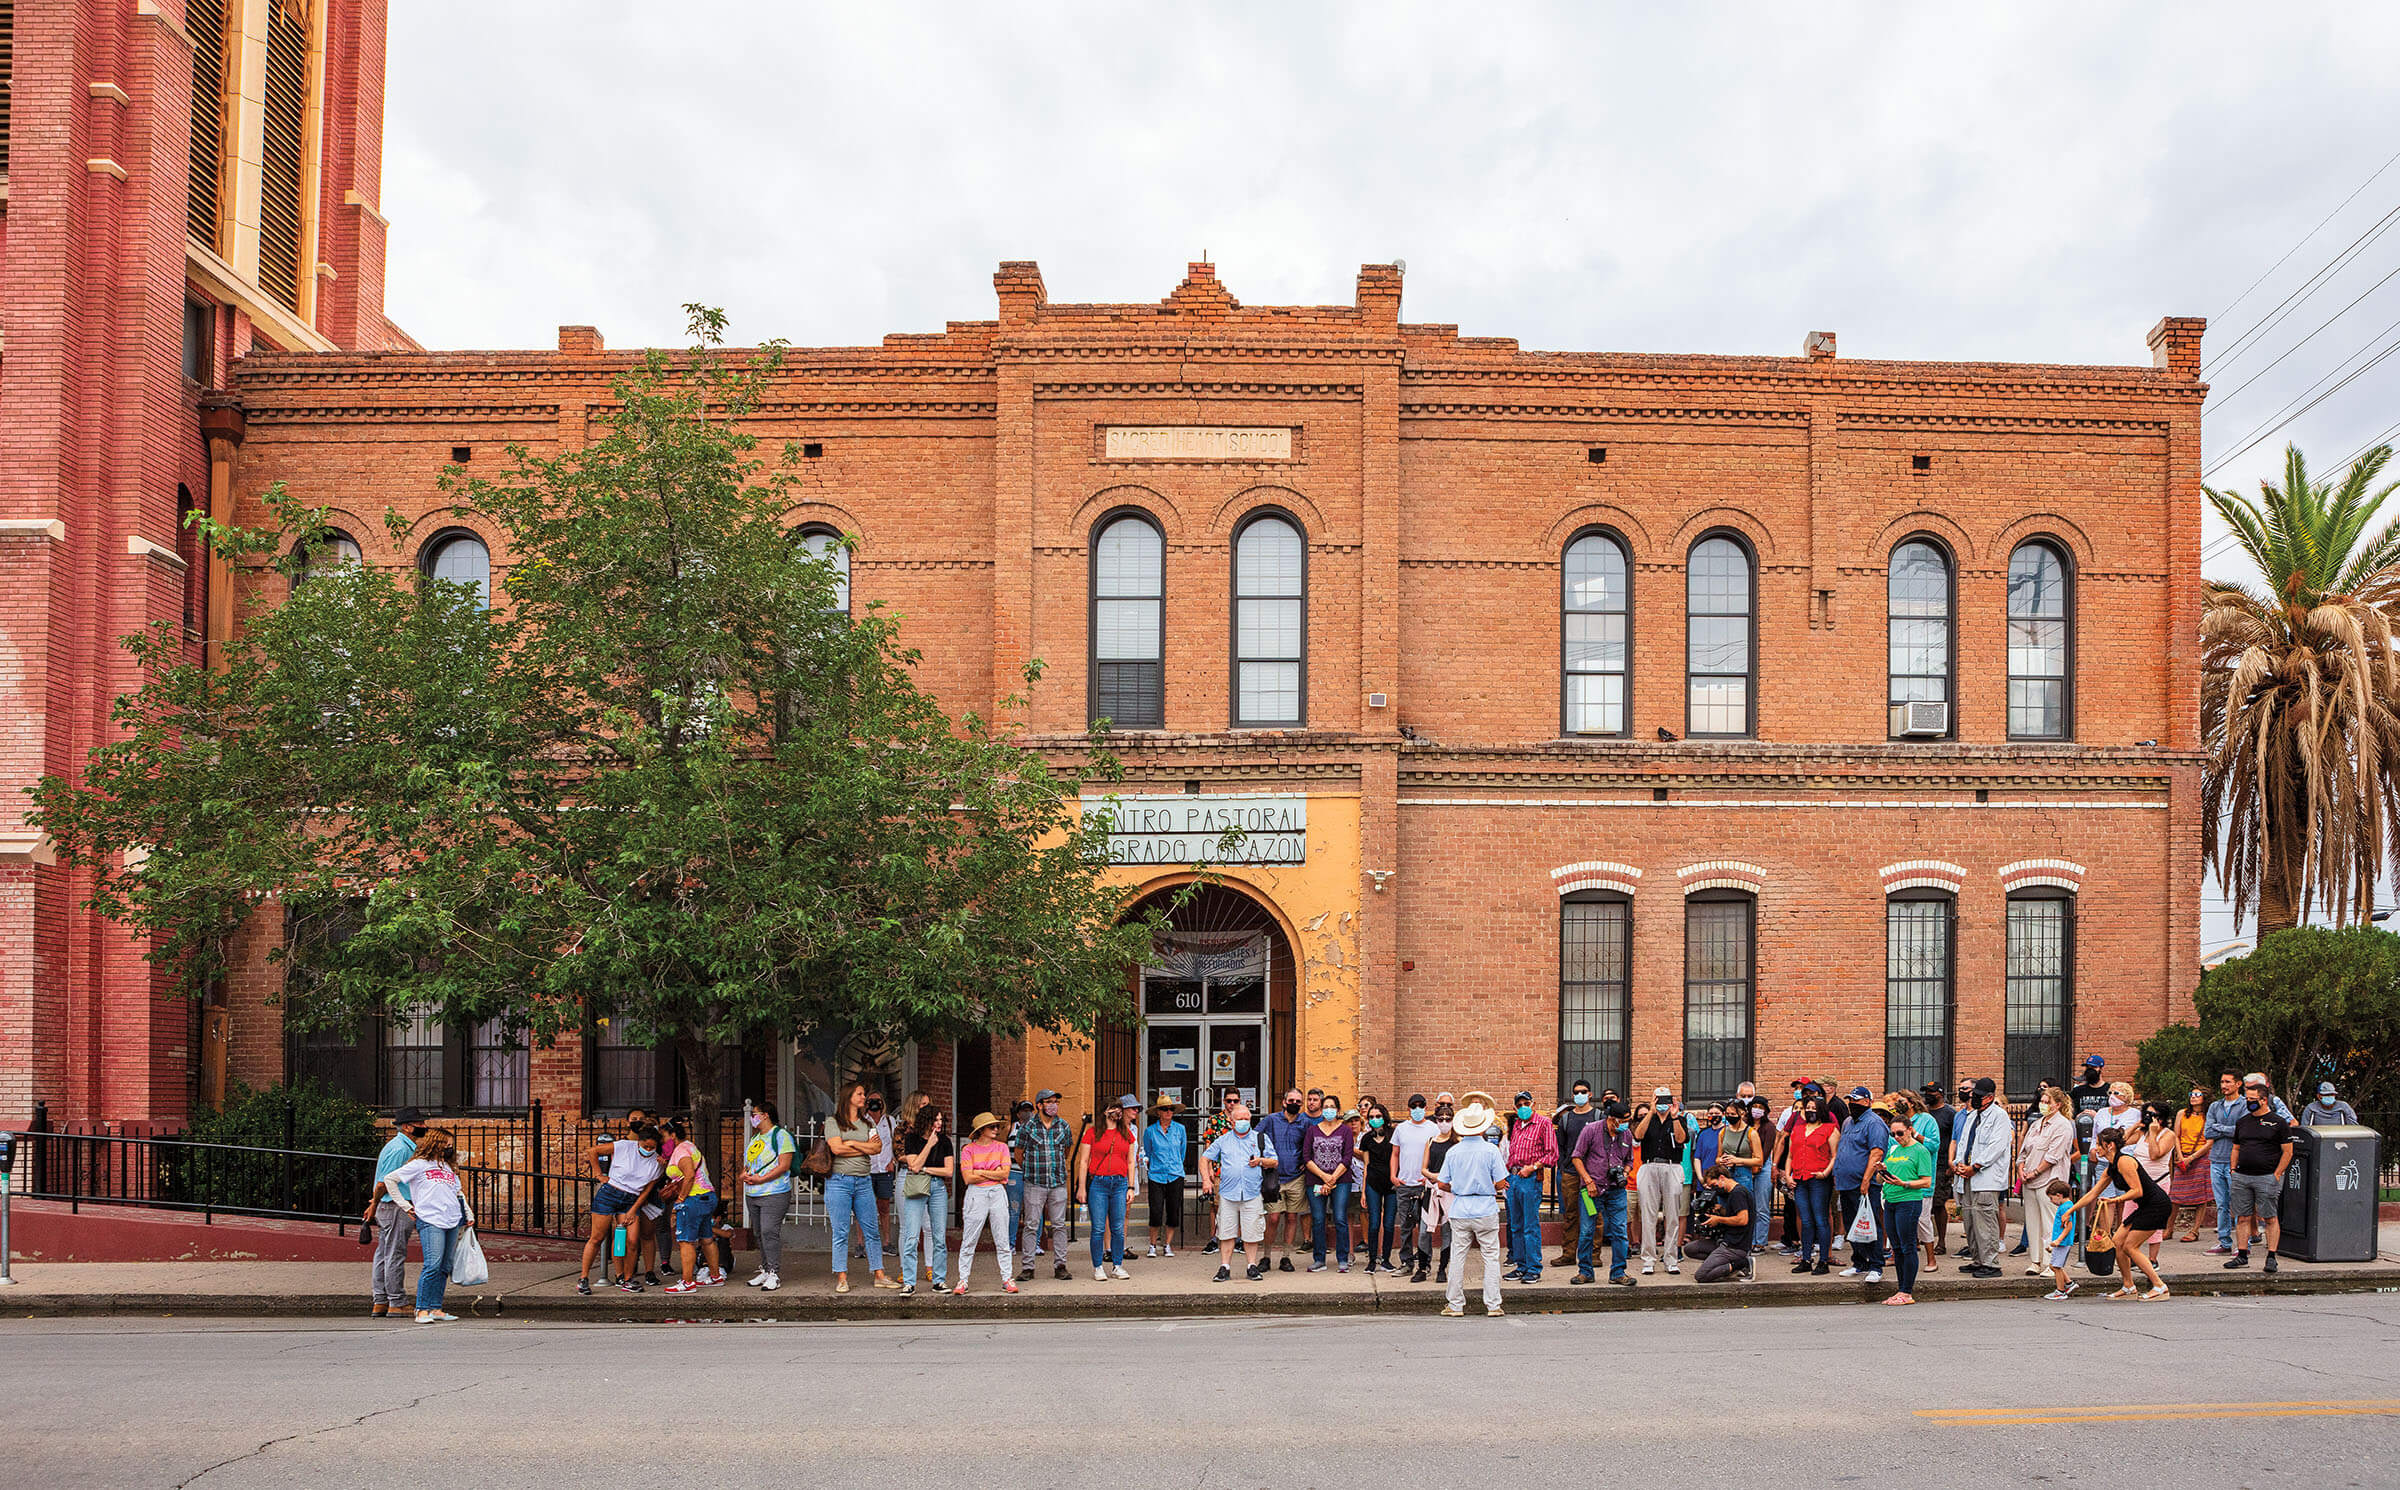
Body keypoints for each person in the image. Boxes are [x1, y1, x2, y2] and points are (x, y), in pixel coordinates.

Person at [2065, 1126, 2171, 1300]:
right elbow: (2093, 1194)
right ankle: (2128, 1286)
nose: (2096, 1148)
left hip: (2157, 1206)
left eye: (2099, 1144)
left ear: (2110, 1146)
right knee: (2118, 1242)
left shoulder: (2125, 1161)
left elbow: (2137, 1191)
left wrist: (2115, 1201)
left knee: (2130, 1246)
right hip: (2145, 1206)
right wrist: (2070, 1210)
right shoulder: (2111, 1168)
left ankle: (2160, 1286)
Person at [382, 1130, 473, 1324]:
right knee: (432, 1263)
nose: (450, 1147)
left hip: (452, 1218)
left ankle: (435, 1307)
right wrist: (405, 1206)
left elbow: (458, 1193)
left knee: (444, 1266)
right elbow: (390, 1180)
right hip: (431, 1219)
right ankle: (422, 1309)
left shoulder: (448, 1168)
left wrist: (468, 1213)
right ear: (436, 1144)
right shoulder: (418, 1165)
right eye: (447, 1144)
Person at [1433, 1095, 1509, 1317]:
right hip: (1485, 1206)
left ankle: (1455, 1304)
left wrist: (1457, 1188)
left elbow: (1442, 1182)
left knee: (1458, 1257)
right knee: (1491, 1256)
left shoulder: (1454, 1151)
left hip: (1461, 1207)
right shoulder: (1491, 1151)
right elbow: (1501, 1182)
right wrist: (1491, 1186)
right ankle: (1493, 1304)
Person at [826, 1081, 898, 1294]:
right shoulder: (834, 1122)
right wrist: (861, 1148)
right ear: (849, 1097)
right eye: (859, 1094)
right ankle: (841, 1277)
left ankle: (879, 1274)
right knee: (840, 1231)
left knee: (872, 1230)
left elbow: (877, 1147)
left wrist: (852, 1144)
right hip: (839, 1181)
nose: (863, 1097)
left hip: (864, 1180)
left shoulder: (868, 1124)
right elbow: (836, 1148)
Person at [578, 1121, 662, 1296]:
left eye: (652, 1147)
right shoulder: (625, 1146)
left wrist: (633, 1210)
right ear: (639, 1141)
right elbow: (593, 1151)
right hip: (610, 1193)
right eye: (645, 1146)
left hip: (631, 1199)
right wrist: (598, 1174)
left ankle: (627, 1278)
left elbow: (646, 1190)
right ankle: (583, 1278)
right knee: (597, 1237)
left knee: (631, 1240)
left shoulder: (657, 1163)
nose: (648, 1149)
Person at [2224, 1073, 2296, 1274]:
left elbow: (2288, 1151)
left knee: (2270, 1217)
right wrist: (2233, 1169)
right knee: (2243, 1217)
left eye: (2253, 1100)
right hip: (2242, 1176)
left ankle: (2272, 1256)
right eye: (2247, 1100)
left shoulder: (2278, 1122)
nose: (2249, 1103)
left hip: (2267, 1177)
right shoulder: (2243, 1122)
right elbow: (2236, 1147)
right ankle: (2242, 1254)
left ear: (2264, 1100)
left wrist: (2277, 1174)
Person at [1201, 1100, 1277, 1281]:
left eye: (1247, 1118)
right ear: (1232, 1122)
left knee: (1251, 1232)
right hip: (1228, 1193)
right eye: (1240, 1119)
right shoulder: (1223, 1140)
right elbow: (1205, 1159)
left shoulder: (1260, 1138)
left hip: (1252, 1193)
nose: (1244, 1121)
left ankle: (1251, 1266)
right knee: (1226, 1232)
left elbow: (1274, 1161)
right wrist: (1206, 1180)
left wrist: (1260, 1161)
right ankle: (1224, 1267)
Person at [364, 1106, 428, 1318]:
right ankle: (396, 1302)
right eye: (419, 1124)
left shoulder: (400, 1146)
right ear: (407, 1127)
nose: (424, 1126)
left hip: (389, 1205)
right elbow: (384, 1182)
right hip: (396, 1206)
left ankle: (381, 1301)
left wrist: (375, 1204)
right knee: (394, 1254)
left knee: (384, 1253)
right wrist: (374, 1206)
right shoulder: (400, 1149)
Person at [1948, 1077, 2014, 1277]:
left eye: (1978, 1096)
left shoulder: (1999, 1116)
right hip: (1967, 1176)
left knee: (1985, 1220)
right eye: (1972, 1096)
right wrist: (1959, 1164)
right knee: (1970, 1220)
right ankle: (1977, 1259)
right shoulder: (1971, 1116)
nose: (1973, 1099)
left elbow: (1996, 1147)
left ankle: (1991, 1263)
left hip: (1985, 1178)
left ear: (1990, 1097)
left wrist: (1975, 1167)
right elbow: (1963, 1143)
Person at [1568, 1098, 1637, 1286]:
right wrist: (1588, 1181)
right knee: (1587, 1231)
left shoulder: (1627, 1135)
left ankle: (1618, 1272)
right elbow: (1576, 1157)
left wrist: (1625, 1172)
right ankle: (1585, 1271)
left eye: (1627, 1121)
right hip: (1592, 1190)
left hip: (1616, 1191)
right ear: (1612, 1119)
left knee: (1620, 1231)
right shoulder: (1591, 1130)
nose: (1625, 1124)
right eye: (1622, 1121)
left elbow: (1630, 1160)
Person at [952, 1112, 1018, 1295]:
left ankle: (1007, 1278)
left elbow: (1005, 1174)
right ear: (981, 1130)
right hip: (977, 1194)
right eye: (992, 1127)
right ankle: (963, 1279)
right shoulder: (968, 1149)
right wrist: (992, 1171)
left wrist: (979, 1172)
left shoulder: (1002, 1147)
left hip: (996, 1192)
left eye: (997, 1126)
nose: (996, 1129)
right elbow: (967, 1178)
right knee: (969, 1238)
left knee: (1002, 1238)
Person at [1076, 1094, 1140, 1280]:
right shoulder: (1092, 1133)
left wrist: (1130, 1187)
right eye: (1113, 1108)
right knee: (1098, 1228)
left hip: (1120, 1183)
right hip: (1099, 1183)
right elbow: (1083, 1162)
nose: (1118, 1111)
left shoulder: (1127, 1133)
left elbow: (1130, 1162)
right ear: (1104, 1111)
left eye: (1119, 1108)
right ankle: (1098, 1267)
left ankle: (1117, 1264)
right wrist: (1082, 1188)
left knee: (1118, 1227)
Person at [656, 1118, 723, 1294]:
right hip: (707, 1197)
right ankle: (715, 1276)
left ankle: (687, 1282)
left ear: (673, 1135)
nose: (663, 1141)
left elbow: (689, 1175)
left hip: (693, 1199)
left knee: (686, 1241)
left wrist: (681, 1198)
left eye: (664, 1137)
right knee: (706, 1238)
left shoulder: (681, 1150)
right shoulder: (690, 1147)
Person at [2017, 1085, 2077, 1278]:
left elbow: (2053, 1155)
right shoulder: (2036, 1124)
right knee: (2033, 1222)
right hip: (2029, 1180)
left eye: (2047, 1102)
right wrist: (2021, 1169)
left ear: (2057, 1105)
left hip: (2049, 1181)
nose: (2042, 1105)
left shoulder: (2063, 1125)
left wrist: (2035, 1171)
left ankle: (2052, 1264)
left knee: (2051, 1223)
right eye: (2041, 1102)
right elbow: (2023, 1151)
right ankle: (2036, 1261)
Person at [1014, 1089, 1074, 1283]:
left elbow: (1066, 1150)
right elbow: (1018, 1153)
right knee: (1031, 1225)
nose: (1053, 1105)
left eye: (1056, 1101)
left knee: (1059, 1225)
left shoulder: (1063, 1126)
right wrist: (1030, 1170)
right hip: (1034, 1183)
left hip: (1057, 1182)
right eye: (1049, 1102)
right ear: (1039, 1105)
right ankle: (1028, 1267)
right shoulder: (1027, 1127)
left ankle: (1060, 1266)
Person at [1831, 1086, 1888, 1283]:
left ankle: (1875, 1265)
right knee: (1851, 1224)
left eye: (1857, 1101)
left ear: (1867, 1102)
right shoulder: (1848, 1121)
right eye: (1851, 1101)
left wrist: (1865, 1180)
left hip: (1865, 1184)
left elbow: (1876, 1153)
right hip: (1846, 1183)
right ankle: (1859, 1262)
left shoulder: (1874, 1123)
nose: (1852, 1104)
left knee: (1870, 1223)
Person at [896, 1103, 953, 1297]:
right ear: (926, 1121)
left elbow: (948, 1171)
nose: (938, 1123)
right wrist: (929, 1144)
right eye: (935, 1119)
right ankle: (909, 1282)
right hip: (917, 1186)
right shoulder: (912, 1138)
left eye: (940, 1120)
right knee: (912, 1235)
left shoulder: (945, 1141)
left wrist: (927, 1169)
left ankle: (939, 1280)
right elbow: (913, 1165)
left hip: (937, 1186)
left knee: (938, 1235)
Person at [739, 1099, 796, 1291]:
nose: (752, 1118)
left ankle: (774, 1272)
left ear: (766, 1115)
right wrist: (745, 1174)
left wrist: (761, 1180)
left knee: (769, 1231)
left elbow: (784, 1165)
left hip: (774, 1192)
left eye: (755, 1114)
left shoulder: (781, 1136)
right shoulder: (756, 1138)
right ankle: (764, 1268)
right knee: (759, 1233)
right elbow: (749, 1163)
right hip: (753, 1192)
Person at [1632, 1086, 1689, 1275]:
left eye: (1666, 1100)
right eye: (1659, 1100)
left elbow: (1681, 1140)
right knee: (1648, 1215)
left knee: (1672, 1215)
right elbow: (1638, 1136)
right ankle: (1648, 1259)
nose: (1662, 1104)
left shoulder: (1679, 1119)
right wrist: (1650, 1111)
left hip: (1672, 1166)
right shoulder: (1648, 1119)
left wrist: (1673, 1116)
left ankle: (1671, 1258)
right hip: (1649, 1166)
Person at [1878, 1112, 1934, 1305]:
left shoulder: (1920, 1150)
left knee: (1907, 1245)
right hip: (1890, 1199)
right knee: (1897, 1247)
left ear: (1910, 1129)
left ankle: (1907, 1291)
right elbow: (1880, 1179)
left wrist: (1905, 1184)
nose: (1897, 1137)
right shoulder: (1894, 1149)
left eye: (1900, 1133)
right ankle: (1900, 1288)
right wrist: (1881, 1170)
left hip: (1908, 1200)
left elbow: (1927, 1182)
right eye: (1893, 1134)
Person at [1500, 1090, 1555, 1284]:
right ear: (1515, 1107)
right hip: (1514, 1177)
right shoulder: (1516, 1125)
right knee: (1515, 1225)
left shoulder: (1544, 1123)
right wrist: (1506, 1175)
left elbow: (1551, 1154)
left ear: (1533, 1104)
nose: (1523, 1107)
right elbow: (1512, 1153)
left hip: (1530, 1178)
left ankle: (1533, 1268)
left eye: (1527, 1103)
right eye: (1520, 1104)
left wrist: (1533, 1167)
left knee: (1530, 1225)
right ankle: (1520, 1265)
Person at [1300, 1090, 1358, 1272]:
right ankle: (1319, 1259)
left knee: (1340, 1218)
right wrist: (1324, 1177)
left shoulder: (1345, 1131)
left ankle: (1342, 1259)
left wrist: (1333, 1178)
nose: (1329, 1110)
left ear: (1338, 1109)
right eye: (1326, 1107)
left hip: (1341, 1181)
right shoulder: (1312, 1130)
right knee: (1317, 1219)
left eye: (1332, 1107)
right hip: (1316, 1181)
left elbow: (1347, 1157)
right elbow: (1306, 1157)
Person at [1785, 1088, 1839, 1274]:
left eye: (1814, 1108)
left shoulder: (1829, 1129)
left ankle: (1823, 1260)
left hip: (1818, 1179)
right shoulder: (1798, 1129)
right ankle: (1806, 1258)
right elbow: (1790, 1155)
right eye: (1807, 1108)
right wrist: (1787, 1174)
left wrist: (1825, 1173)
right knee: (1806, 1220)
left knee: (1820, 1219)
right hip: (1799, 1178)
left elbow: (1835, 1155)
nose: (1810, 1111)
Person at [1260, 1088, 1313, 1273]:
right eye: (1291, 1100)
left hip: (1296, 1178)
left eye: (1299, 1102)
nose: (1295, 1104)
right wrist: (1262, 1160)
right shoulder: (1271, 1120)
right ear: (1284, 1102)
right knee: (1273, 1218)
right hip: (1274, 1178)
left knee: (1292, 1217)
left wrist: (1306, 1163)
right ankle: (1266, 1257)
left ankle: (1286, 1257)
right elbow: (1255, 1138)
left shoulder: (1305, 1123)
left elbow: (1311, 1145)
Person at [1549, 1081, 1601, 1269]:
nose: (1580, 1095)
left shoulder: (1598, 1116)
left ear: (1590, 1094)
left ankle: (1593, 1254)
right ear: (1572, 1096)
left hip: (1592, 1175)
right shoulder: (1566, 1119)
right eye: (1576, 1092)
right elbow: (1561, 1145)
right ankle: (1569, 1254)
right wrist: (1563, 1165)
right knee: (1570, 1214)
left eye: (1583, 1092)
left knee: (1593, 1212)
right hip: (1571, 1173)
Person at [1680, 1160, 1755, 1283]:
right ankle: (1722, 1264)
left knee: (1701, 1276)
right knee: (1690, 1249)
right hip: (1725, 1240)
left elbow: (1742, 1220)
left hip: (1734, 1246)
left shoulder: (1738, 1193)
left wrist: (1718, 1219)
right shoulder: (1731, 1193)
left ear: (1722, 1178)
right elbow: (1735, 1215)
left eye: (1714, 1185)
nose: (1714, 1189)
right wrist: (1721, 1212)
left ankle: (1741, 1263)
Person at [1392, 1093, 1440, 1278]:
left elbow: (1436, 1154)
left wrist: (1430, 1177)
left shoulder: (1433, 1128)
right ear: (1409, 1109)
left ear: (1426, 1108)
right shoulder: (1401, 1129)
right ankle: (1406, 1262)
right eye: (1414, 1106)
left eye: (1421, 1106)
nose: (1417, 1109)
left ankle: (1424, 1262)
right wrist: (1393, 1176)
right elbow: (1395, 1154)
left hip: (1424, 1185)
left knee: (1425, 1227)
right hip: (1405, 1184)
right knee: (1405, 1226)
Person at [1419, 1097, 1460, 1283]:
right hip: (1431, 1189)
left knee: (1447, 1230)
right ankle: (1422, 1266)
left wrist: (1443, 1179)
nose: (1444, 1122)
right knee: (1424, 1230)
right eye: (1440, 1119)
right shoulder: (1430, 1141)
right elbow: (1423, 1168)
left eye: (1447, 1118)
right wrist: (1435, 1177)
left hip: (1450, 1191)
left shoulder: (1458, 1141)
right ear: (1435, 1120)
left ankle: (1442, 1268)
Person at [1142, 1097, 1187, 1258]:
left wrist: (1176, 1165)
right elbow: (1148, 1151)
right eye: (1165, 1109)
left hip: (1175, 1174)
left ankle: (1167, 1244)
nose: (1169, 1112)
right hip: (1156, 1174)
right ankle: (1152, 1244)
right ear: (1159, 1112)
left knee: (1173, 1211)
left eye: (1171, 1109)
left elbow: (1182, 1152)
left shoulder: (1180, 1129)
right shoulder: (1150, 1131)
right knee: (1155, 1211)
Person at [1358, 1100, 1399, 1273]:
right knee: (1374, 1223)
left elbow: (1398, 1157)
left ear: (1385, 1117)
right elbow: (1366, 1165)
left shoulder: (1394, 1135)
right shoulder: (1366, 1139)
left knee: (1389, 1224)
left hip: (1391, 1185)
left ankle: (1387, 1260)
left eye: (1378, 1116)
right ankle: (1372, 1260)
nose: (1375, 1119)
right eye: (1372, 1117)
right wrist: (1363, 1191)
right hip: (1373, 1183)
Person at [2167, 1087, 2211, 1243]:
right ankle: (2169, 1228)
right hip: (2182, 1156)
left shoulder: (2209, 1116)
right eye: (2191, 1094)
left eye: (2197, 1094)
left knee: (2201, 1196)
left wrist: (2192, 1157)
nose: (2193, 1097)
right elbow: (2176, 1136)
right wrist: (2180, 1156)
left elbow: (2210, 1141)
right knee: (2175, 1194)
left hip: (2201, 1157)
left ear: (2204, 1098)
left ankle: (2195, 1230)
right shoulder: (2182, 1113)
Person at [1919, 1082, 1958, 1258]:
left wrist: (1952, 1163)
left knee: (1938, 1203)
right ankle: (1921, 1238)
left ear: (1940, 1094)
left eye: (1931, 1092)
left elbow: (1955, 1138)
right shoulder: (1924, 1113)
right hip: (1922, 1162)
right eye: (1926, 1092)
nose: (1928, 1095)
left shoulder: (1949, 1113)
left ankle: (1941, 1241)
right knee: (1921, 1203)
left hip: (1941, 1163)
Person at [864, 1091, 898, 1256]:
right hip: (867, 1169)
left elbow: (895, 1144)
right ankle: (861, 1244)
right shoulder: (862, 1121)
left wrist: (893, 1161)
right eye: (871, 1101)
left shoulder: (890, 1121)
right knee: (864, 1207)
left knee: (884, 1207)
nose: (874, 1103)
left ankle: (886, 1242)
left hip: (884, 1169)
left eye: (877, 1100)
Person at [2038, 1179, 2082, 1301]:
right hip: (2062, 1241)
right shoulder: (2068, 1206)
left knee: (2056, 1267)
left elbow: (2069, 1226)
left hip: (2062, 1242)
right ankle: (2069, 1283)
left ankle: (2060, 1291)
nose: (2051, 1202)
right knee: (2054, 1266)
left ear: (2059, 1195)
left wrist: (2058, 1241)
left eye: (2052, 1198)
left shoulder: (2064, 1208)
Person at [1003, 1098, 1034, 1253]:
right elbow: (1002, 1144)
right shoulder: (1011, 1127)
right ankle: (1011, 1243)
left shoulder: (1036, 1128)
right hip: (1014, 1172)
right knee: (1014, 1210)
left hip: (1031, 1173)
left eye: (1029, 1110)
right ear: (1018, 1113)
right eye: (1023, 1110)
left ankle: (1035, 1245)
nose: (1027, 1113)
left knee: (1034, 1210)